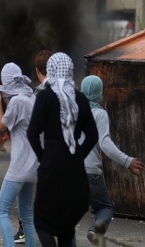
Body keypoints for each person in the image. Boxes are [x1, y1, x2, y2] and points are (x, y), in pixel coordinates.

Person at [26, 52, 98, 247]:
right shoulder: (81, 99)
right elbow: (93, 136)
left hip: (51, 164)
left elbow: (32, 133)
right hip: (74, 168)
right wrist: (78, 155)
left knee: (42, 221)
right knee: (67, 225)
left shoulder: (46, 97)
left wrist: (43, 157)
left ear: (50, 70)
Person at [77, 75, 144, 246]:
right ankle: (94, 231)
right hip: (91, 173)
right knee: (105, 208)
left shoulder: (74, 111)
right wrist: (127, 161)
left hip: (71, 171)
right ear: (99, 92)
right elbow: (105, 144)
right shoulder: (99, 114)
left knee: (71, 211)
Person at [0, 63, 38, 247]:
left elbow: (2, 125)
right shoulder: (30, 97)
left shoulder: (18, 101)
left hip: (20, 166)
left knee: (1, 211)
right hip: (33, 165)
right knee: (26, 214)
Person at [13, 49, 53, 244]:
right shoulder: (69, 92)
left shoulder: (38, 94)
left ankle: (26, 229)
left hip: (41, 151)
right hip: (60, 151)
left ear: (37, 71)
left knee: (33, 195)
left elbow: (33, 126)